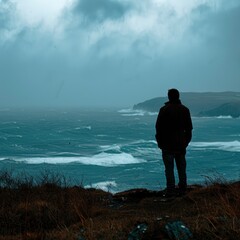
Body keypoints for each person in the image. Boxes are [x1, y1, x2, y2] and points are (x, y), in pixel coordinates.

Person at [155, 89, 193, 196]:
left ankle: (171, 190)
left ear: (168, 97)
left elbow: (158, 128)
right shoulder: (185, 109)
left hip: (167, 145)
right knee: (181, 168)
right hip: (181, 144)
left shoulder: (164, 110)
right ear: (178, 96)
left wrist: (160, 143)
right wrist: (186, 142)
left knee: (169, 169)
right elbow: (189, 129)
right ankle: (183, 189)